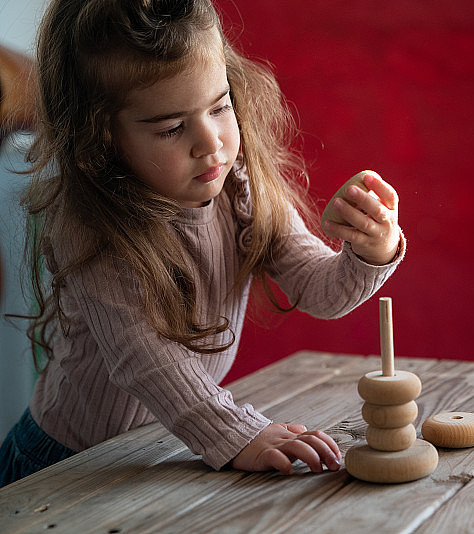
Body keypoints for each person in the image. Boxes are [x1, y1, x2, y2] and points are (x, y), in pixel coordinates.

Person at [0, 0, 404, 488]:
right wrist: (239, 433)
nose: (210, 143)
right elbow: (147, 361)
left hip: (161, 446)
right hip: (66, 462)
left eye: (220, 106)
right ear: (100, 138)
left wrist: (368, 250)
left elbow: (320, 289)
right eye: (173, 127)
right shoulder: (91, 228)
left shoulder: (237, 188)